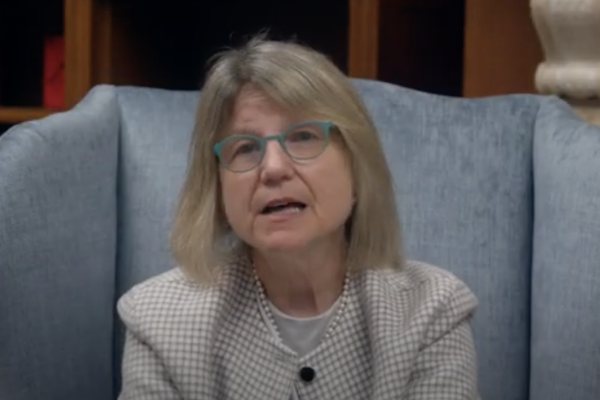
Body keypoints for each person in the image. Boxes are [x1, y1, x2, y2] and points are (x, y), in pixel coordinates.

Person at [117, 35, 480, 399]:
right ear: (217, 186)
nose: (273, 169)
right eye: (245, 148)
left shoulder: (431, 311)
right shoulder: (158, 322)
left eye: (304, 136)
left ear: (357, 164)